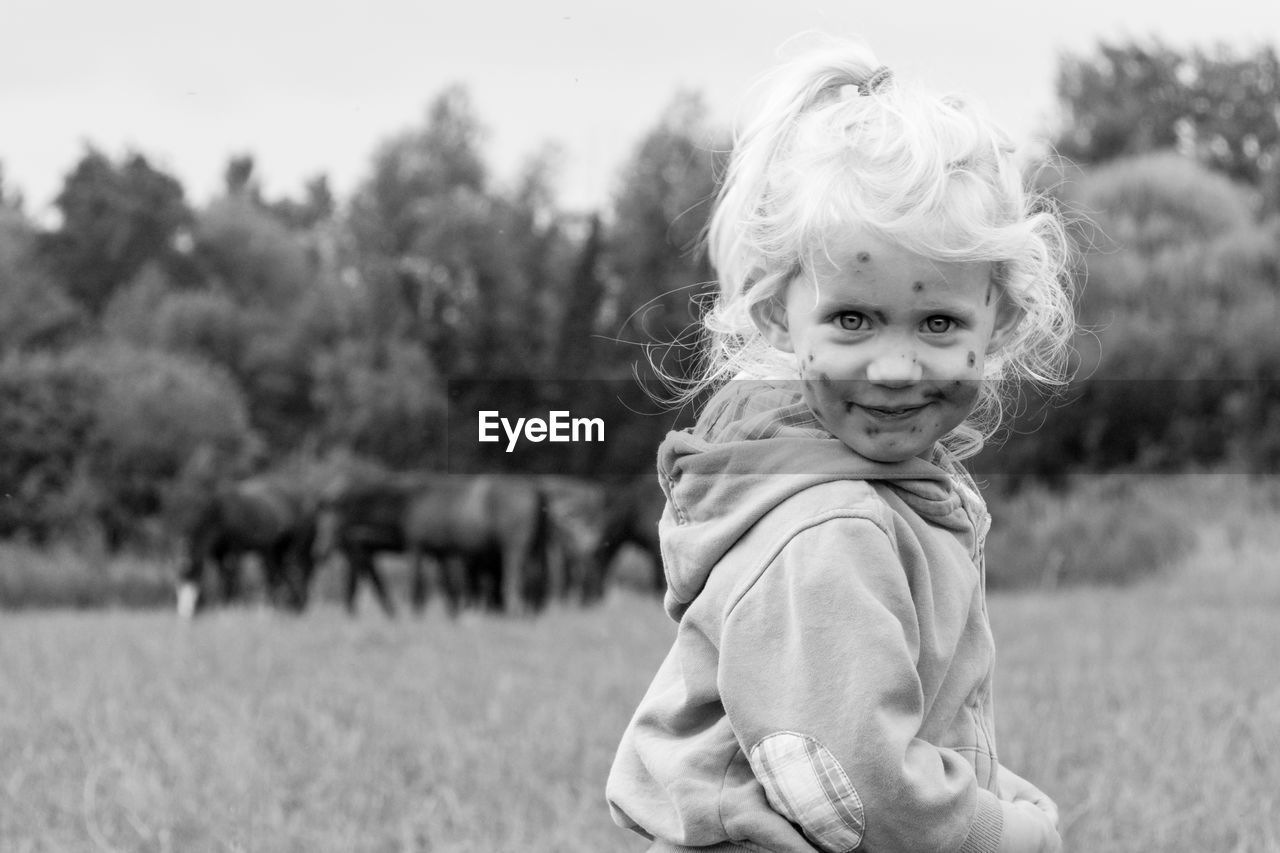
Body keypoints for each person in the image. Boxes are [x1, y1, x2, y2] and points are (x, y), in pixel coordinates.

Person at [606, 34, 1075, 853]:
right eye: (852, 319)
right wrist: (1009, 837)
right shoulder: (828, 527)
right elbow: (862, 793)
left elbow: (898, 736)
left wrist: (996, 792)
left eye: (937, 323)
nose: (894, 368)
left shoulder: (878, 493)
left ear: (1000, 321)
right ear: (772, 313)